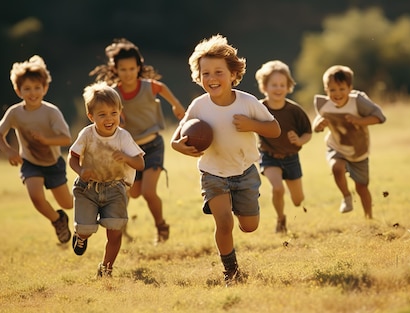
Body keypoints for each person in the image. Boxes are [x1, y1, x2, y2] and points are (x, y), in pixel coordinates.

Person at [171, 34, 281, 286]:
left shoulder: (248, 102)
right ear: (198, 77)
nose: (212, 78)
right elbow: (175, 139)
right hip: (213, 173)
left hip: (245, 172)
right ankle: (230, 271)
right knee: (223, 222)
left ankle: (243, 212)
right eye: (206, 73)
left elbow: (274, 129)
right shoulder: (198, 106)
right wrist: (179, 146)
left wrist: (252, 124)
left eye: (219, 72)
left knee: (250, 226)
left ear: (233, 74)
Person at [90, 38, 185, 243]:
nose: (128, 73)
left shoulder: (148, 86)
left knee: (149, 192)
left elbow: (161, 88)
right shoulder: (114, 92)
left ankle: (161, 226)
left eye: (132, 68)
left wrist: (176, 105)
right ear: (115, 69)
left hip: (153, 145)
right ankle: (120, 228)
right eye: (123, 69)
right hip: (130, 150)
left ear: (139, 67)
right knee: (133, 194)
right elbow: (109, 112)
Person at [0, 55, 73, 244]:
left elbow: (66, 139)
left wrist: (46, 140)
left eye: (37, 87)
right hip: (30, 163)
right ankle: (57, 220)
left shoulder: (51, 112)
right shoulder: (15, 113)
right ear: (18, 90)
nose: (33, 93)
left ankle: (70, 210)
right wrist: (9, 151)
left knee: (67, 204)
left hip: (53, 164)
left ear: (45, 88)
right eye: (27, 88)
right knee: (37, 198)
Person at [68, 82, 145, 277]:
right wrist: (80, 170)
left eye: (113, 113)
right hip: (88, 188)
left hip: (115, 189)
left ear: (120, 112)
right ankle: (80, 236)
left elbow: (140, 163)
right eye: (102, 114)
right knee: (85, 229)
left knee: (115, 230)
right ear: (91, 116)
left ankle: (106, 268)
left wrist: (127, 158)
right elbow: (73, 156)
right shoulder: (87, 134)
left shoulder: (123, 137)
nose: (109, 118)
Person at [312, 65, 386, 219]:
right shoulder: (324, 104)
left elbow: (380, 117)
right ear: (326, 90)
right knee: (336, 167)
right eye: (332, 90)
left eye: (341, 88)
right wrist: (318, 126)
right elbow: (317, 123)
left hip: (359, 150)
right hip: (336, 145)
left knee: (362, 187)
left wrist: (360, 120)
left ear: (350, 88)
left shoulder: (358, 102)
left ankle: (369, 217)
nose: (337, 94)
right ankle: (346, 196)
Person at [255, 60, 312, 233]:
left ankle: (294, 204)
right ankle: (280, 219)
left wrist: (299, 141)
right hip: (269, 156)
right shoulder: (259, 107)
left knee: (298, 200)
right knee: (277, 188)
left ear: (288, 87)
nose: (278, 88)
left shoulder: (295, 110)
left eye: (282, 84)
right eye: (274, 85)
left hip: (291, 158)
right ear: (264, 87)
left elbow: (308, 132)